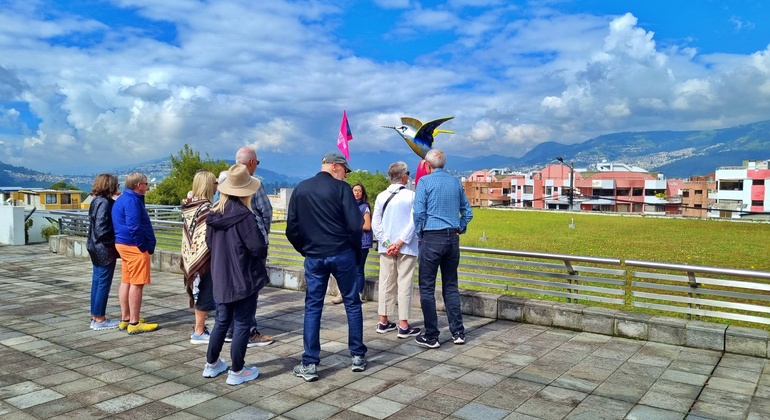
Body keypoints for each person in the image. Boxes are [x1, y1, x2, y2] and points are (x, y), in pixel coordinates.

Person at [286, 152, 367, 381]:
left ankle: (309, 363)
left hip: (314, 256)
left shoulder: (301, 188)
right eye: (345, 170)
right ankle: (357, 355)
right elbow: (355, 225)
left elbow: (292, 228)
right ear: (334, 166)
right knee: (352, 302)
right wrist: (353, 252)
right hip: (342, 253)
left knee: (313, 306)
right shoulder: (342, 189)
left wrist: (305, 249)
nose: (346, 175)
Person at [202, 164, 267, 386]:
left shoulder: (213, 215)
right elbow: (258, 248)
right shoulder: (245, 217)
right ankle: (237, 370)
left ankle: (211, 364)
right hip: (243, 277)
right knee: (241, 323)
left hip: (220, 275)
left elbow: (209, 243)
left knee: (221, 321)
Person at [412, 149, 473, 348]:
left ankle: (432, 335)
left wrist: (419, 232)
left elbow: (419, 212)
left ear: (427, 165)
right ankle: (458, 332)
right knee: (451, 285)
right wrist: (460, 228)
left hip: (431, 237)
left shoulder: (424, 182)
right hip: (452, 238)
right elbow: (468, 212)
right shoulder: (455, 182)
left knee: (427, 287)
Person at [225, 146, 274, 347]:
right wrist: (263, 234)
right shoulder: (254, 183)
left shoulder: (224, 181)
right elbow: (266, 211)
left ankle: (229, 328)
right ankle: (249, 331)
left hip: (229, 244)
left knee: (231, 286)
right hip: (252, 244)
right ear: (252, 162)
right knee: (250, 288)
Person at [371, 162, 421, 338]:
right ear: (404, 176)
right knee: (404, 283)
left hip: (386, 247)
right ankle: (403, 324)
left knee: (386, 282)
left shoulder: (381, 196)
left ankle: (383, 321)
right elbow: (414, 221)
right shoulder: (411, 196)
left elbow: (376, 223)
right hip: (407, 247)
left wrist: (387, 242)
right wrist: (400, 242)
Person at [112, 172, 158, 334]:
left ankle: (126, 318)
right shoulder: (132, 201)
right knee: (137, 284)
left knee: (126, 281)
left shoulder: (122, 198)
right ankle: (134, 322)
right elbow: (135, 226)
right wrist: (142, 246)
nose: (147, 186)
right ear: (139, 185)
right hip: (133, 246)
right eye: (146, 184)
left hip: (122, 244)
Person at [181, 170, 218, 344]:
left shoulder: (190, 205)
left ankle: (199, 328)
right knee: (206, 292)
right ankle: (199, 331)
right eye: (215, 182)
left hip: (193, 255)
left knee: (201, 291)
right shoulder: (206, 208)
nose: (217, 185)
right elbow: (207, 236)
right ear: (208, 185)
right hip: (205, 258)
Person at [87, 173, 121, 330]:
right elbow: (102, 229)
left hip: (94, 246)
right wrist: (113, 241)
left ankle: (96, 316)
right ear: (110, 186)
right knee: (103, 284)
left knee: (97, 282)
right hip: (104, 249)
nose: (118, 186)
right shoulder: (105, 203)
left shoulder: (95, 201)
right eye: (116, 184)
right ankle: (100, 319)